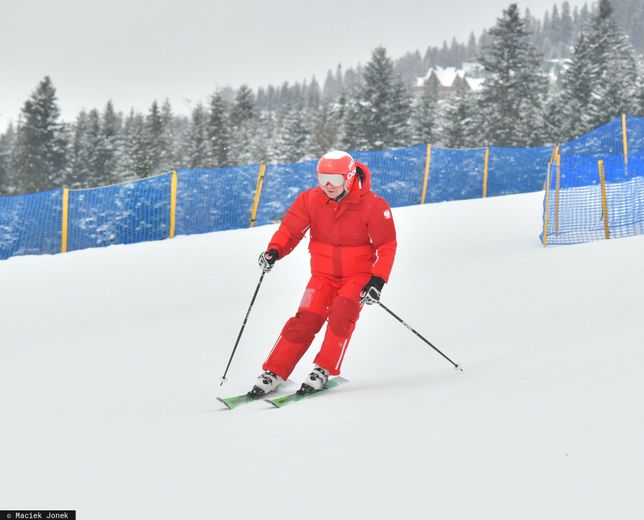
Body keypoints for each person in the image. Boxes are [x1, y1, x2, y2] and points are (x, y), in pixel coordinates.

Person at [249, 150, 397, 396]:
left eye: (335, 180)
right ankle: (274, 372)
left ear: (349, 177)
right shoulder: (310, 200)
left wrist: (378, 280)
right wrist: (274, 251)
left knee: (341, 313)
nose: (328, 186)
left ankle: (322, 369)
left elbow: (387, 245)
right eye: (322, 179)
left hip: (357, 276)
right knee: (304, 320)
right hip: (322, 275)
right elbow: (290, 230)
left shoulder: (373, 205)